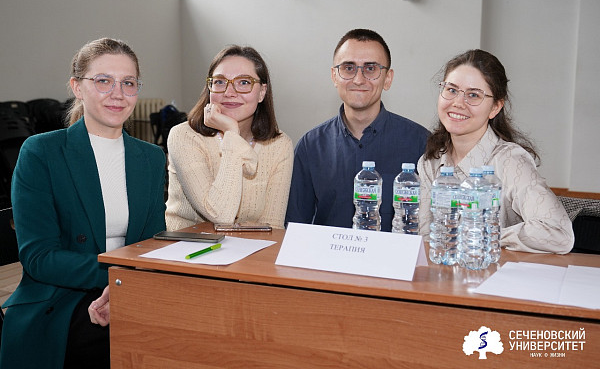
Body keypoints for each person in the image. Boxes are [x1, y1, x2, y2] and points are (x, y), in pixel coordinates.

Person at [0, 38, 167, 368]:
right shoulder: (42, 152)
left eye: (128, 83)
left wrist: (128, 284)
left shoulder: (150, 157)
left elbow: (151, 243)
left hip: (130, 288)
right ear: (77, 87)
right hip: (59, 298)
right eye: (103, 81)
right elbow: (39, 258)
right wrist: (118, 278)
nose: (118, 93)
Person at [417, 49, 574, 253]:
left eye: (473, 95)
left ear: (495, 108)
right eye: (452, 90)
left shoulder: (510, 161)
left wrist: (483, 235)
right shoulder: (431, 162)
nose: (458, 103)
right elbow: (425, 238)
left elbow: (559, 233)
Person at [285, 29, 430, 232]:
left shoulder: (421, 144)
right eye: (348, 68)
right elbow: (295, 228)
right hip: (327, 253)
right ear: (334, 76)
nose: (359, 79)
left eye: (370, 68)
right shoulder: (311, 146)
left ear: (388, 78)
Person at [165, 45, 293, 230]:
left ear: (262, 92)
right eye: (219, 82)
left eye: (244, 82)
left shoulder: (280, 145)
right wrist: (232, 133)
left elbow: (272, 228)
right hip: (186, 246)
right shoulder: (184, 136)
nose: (229, 92)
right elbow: (220, 214)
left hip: (248, 248)